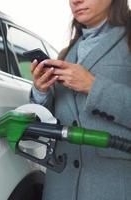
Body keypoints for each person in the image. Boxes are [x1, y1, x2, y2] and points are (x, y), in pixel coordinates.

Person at [30, 0, 131, 199]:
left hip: (113, 186)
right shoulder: (65, 54)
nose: (75, 1)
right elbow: (51, 120)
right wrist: (41, 92)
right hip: (60, 185)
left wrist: (93, 86)